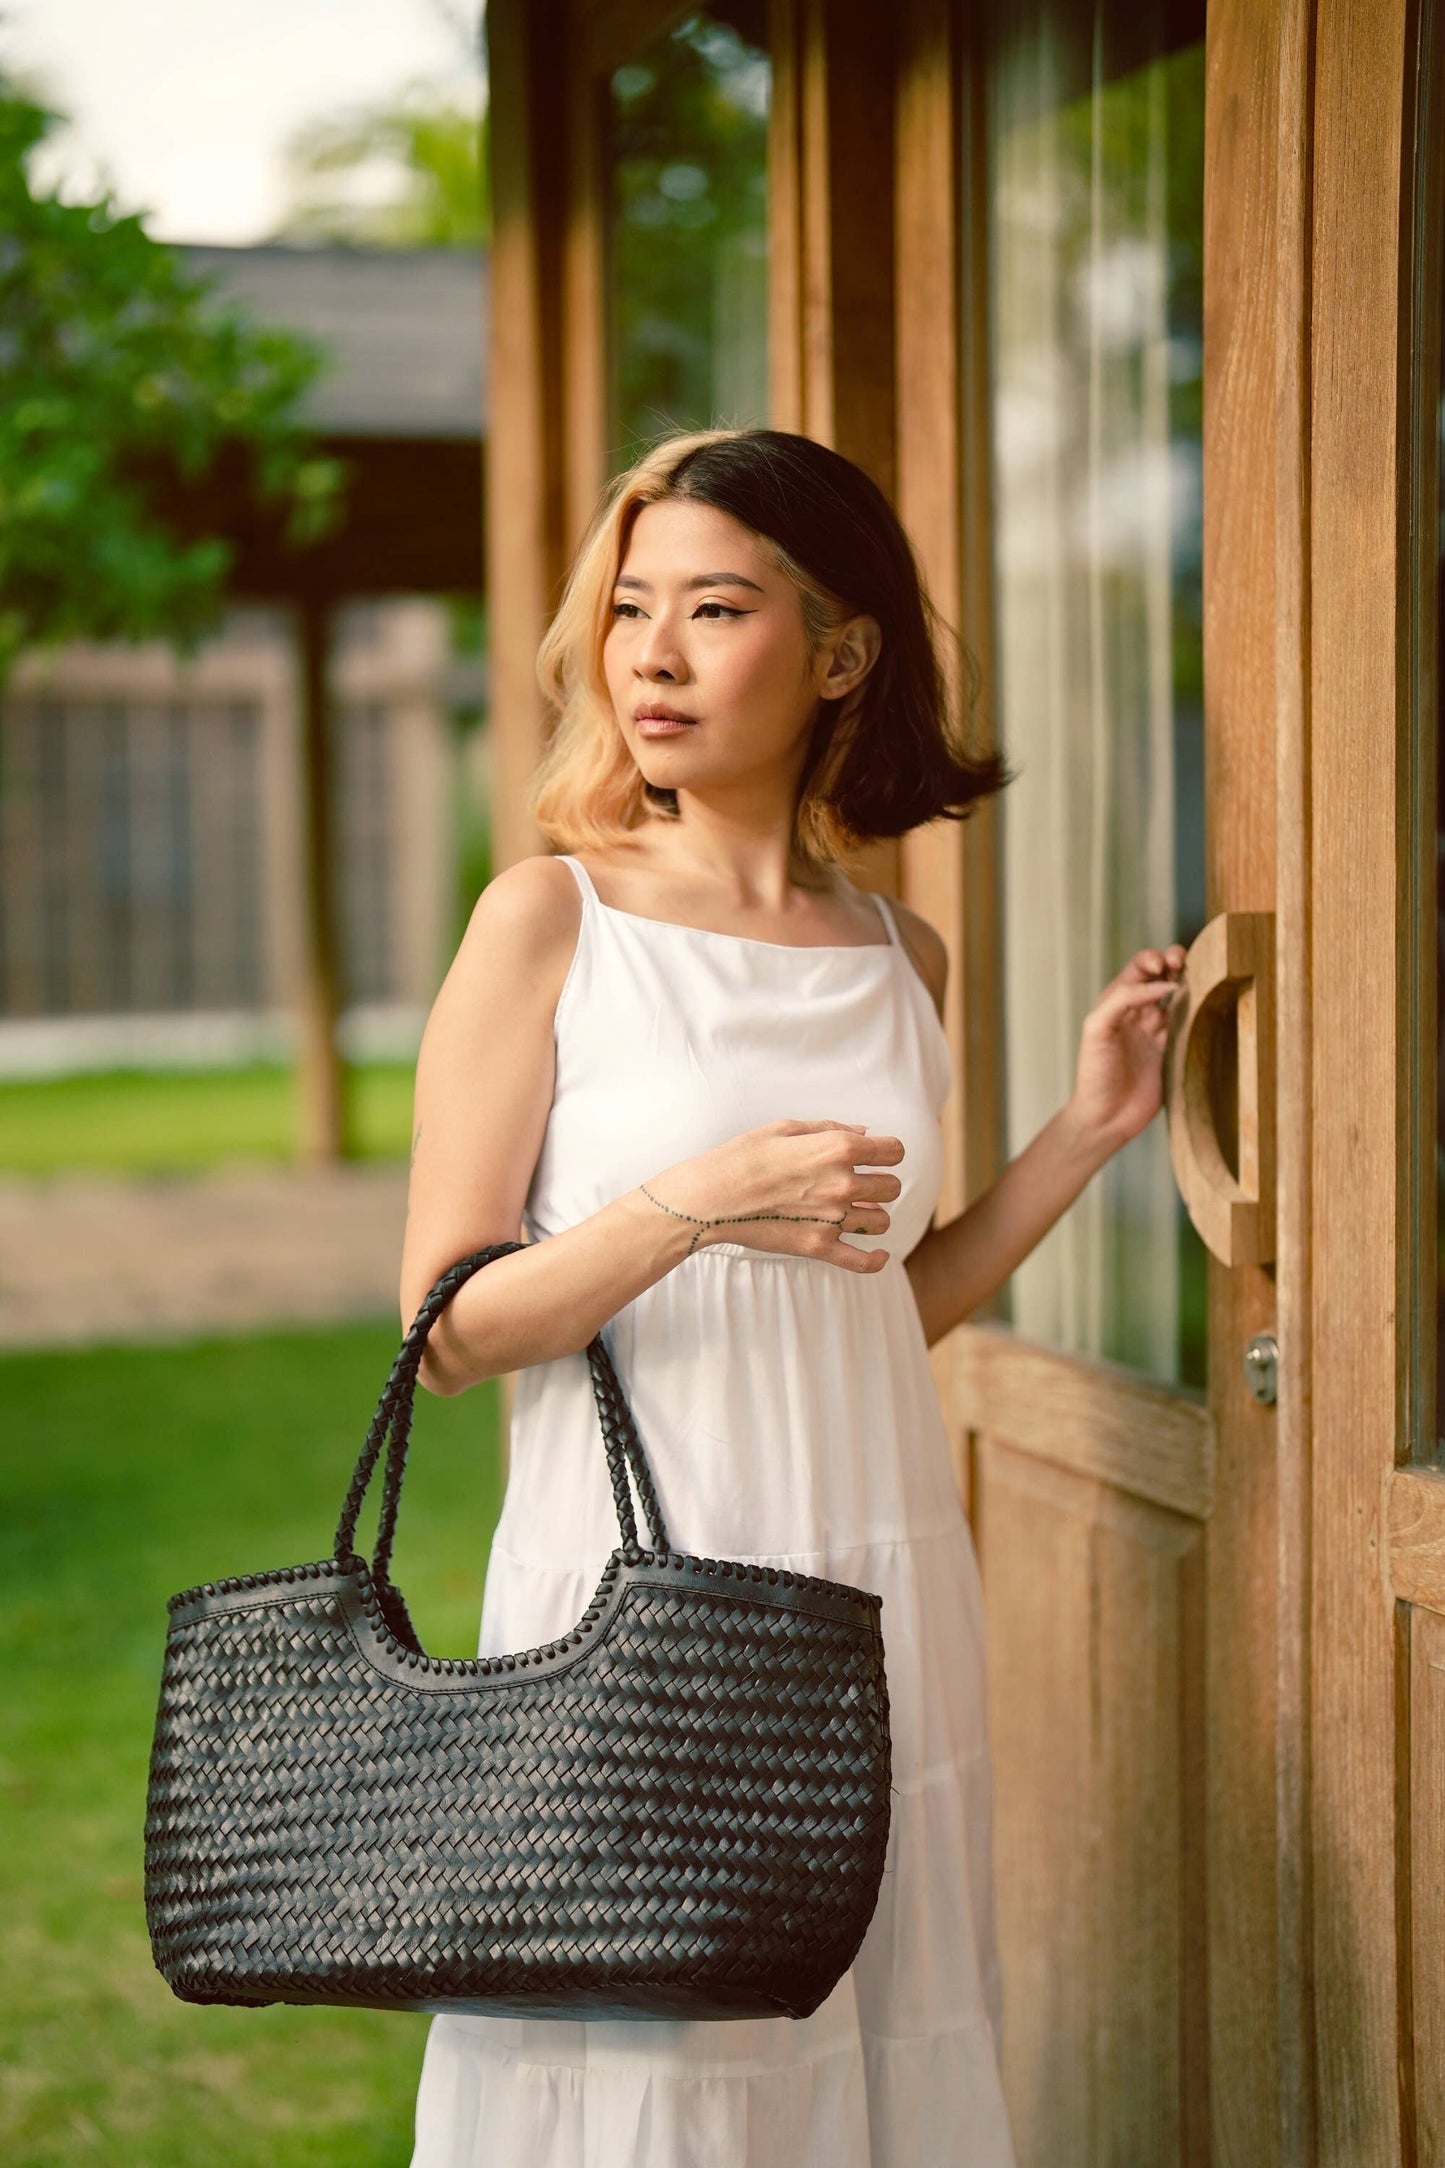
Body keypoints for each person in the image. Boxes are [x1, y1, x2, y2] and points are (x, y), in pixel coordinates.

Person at [401, 426, 1186, 2167]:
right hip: (638, 1580)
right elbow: (445, 1331)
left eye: (714, 609)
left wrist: (1086, 1130)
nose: (653, 658)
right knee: (659, 2064)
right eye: (628, 612)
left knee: (876, 2026)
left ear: (838, 655)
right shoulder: (548, 920)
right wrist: (692, 1201)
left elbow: (870, 1310)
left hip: (874, 1574)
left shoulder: (900, 953)